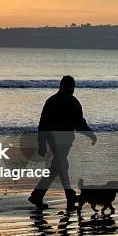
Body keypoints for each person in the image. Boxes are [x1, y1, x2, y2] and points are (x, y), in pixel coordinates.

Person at [28, 75, 97, 210]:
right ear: (62, 86)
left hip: (66, 140)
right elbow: (43, 124)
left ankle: (39, 195)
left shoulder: (72, 102)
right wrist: (41, 144)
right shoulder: (52, 101)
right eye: (68, 86)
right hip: (54, 140)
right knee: (61, 165)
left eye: (72, 87)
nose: (70, 89)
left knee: (58, 167)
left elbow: (79, 122)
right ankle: (65, 195)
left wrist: (90, 133)